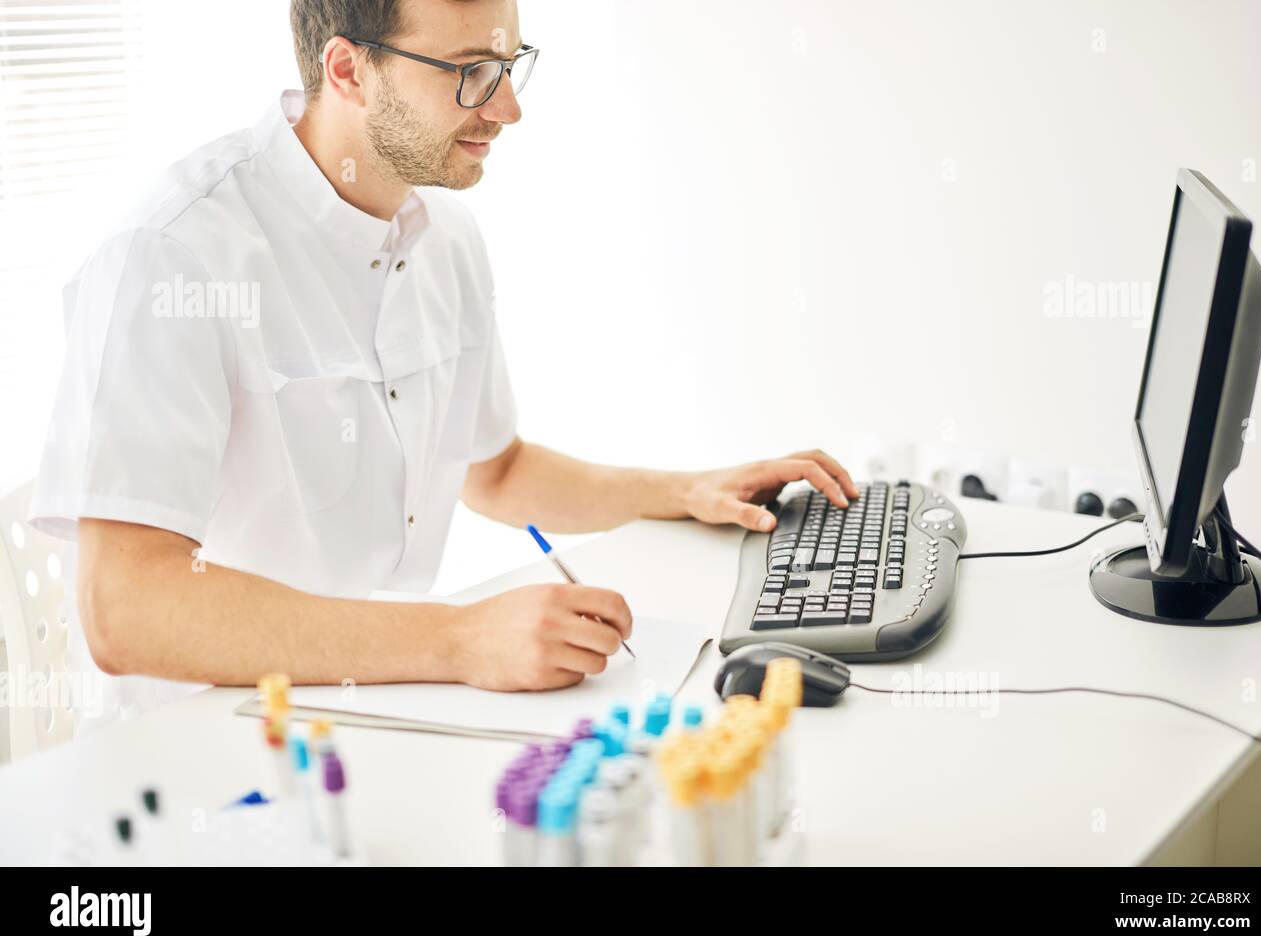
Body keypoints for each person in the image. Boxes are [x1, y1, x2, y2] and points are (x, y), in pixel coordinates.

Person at [32, 0, 858, 727]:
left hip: (385, 700)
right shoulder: (174, 256)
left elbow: (495, 472)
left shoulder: (443, 235)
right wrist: (461, 638)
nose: (506, 109)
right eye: (468, 72)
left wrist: (686, 492)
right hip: (205, 745)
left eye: (507, 66)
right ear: (349, 70)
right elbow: (126, 611)